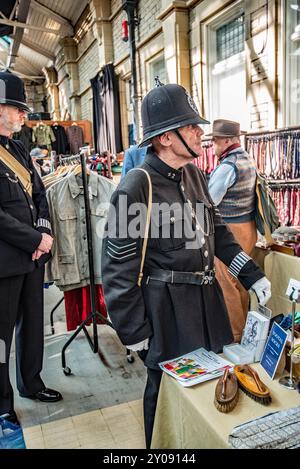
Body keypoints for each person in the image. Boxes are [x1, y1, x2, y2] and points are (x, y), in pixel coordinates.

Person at [101, 83, 271, 448]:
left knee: (213, 393)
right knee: (165, 397)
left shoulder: (194, 175)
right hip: (166, 315)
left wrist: (251, 275)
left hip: (209, 307)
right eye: (191, 126)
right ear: (165, 137)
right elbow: (117, 268)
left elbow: (219, 233)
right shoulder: (136, 185)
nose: (200, 132)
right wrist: (136, 332)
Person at [0, 71, 62, 427]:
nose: (24, 116)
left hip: (32, 258)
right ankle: (2, 401)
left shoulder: (20, 148)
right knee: (0, 335)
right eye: (17, 109)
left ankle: (31, 383)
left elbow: (39, 195)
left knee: (32, 327)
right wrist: (34, 240)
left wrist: (44, 232)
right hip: (5, 262)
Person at [207, 119, 258, 342]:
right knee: (240, 281)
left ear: (227, 140)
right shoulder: (247, 159)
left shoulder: (228, 166)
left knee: (225, 283)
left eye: (216, 140)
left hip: (230, 230)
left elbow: (209, 201)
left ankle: (234, 336)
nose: (213, 145)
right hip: (248, 228)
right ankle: (245, 330)